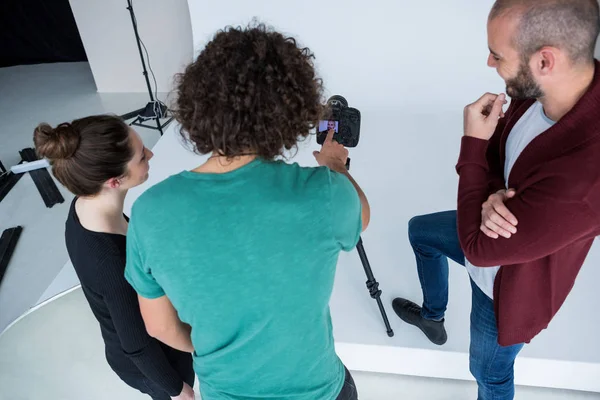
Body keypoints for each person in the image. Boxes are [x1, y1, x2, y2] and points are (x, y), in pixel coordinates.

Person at [123, 23, 369, 400]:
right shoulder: (327, 195)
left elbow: (159, 327)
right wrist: (334, 166)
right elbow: (361, 217)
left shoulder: (149, 212)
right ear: (292, 110)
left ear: (198, 105)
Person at [392, 0, 600, 399]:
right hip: (486, 231)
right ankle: (433, 318)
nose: (490, 63)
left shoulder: (585, 183)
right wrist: (490, 195)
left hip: (506, 289)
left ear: (545, 61)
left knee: (488, 372)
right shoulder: (541, 90)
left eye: (498, 55)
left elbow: (480, 250)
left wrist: (472, 141)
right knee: (420, 232)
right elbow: (498, 155)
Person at [33, 116, 195, 400]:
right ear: (114, 181)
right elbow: (137, 346)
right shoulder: (110, 262)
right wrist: (178, 390)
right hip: (157, 366)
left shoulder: (85, 204)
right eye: (142, 156)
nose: (152, 154)